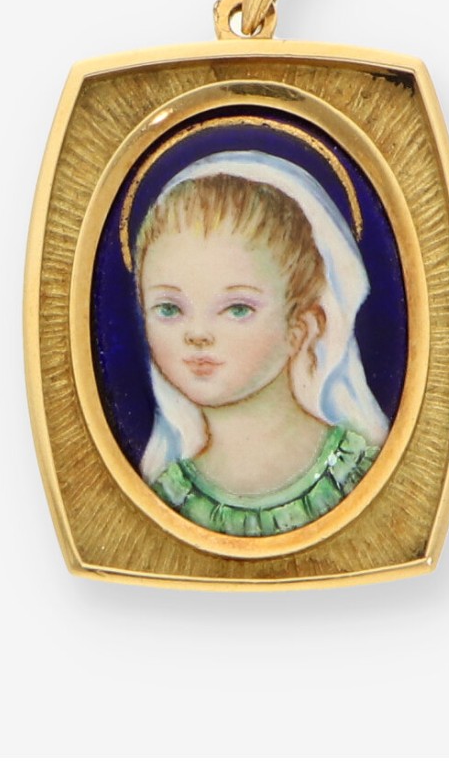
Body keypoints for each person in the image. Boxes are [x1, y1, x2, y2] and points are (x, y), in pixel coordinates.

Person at [133, 149, 388, 536]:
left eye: (237, 309)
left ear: (301, 328)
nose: (197, 333)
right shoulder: (167, 499)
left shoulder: (357, 476)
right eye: (169, 308)